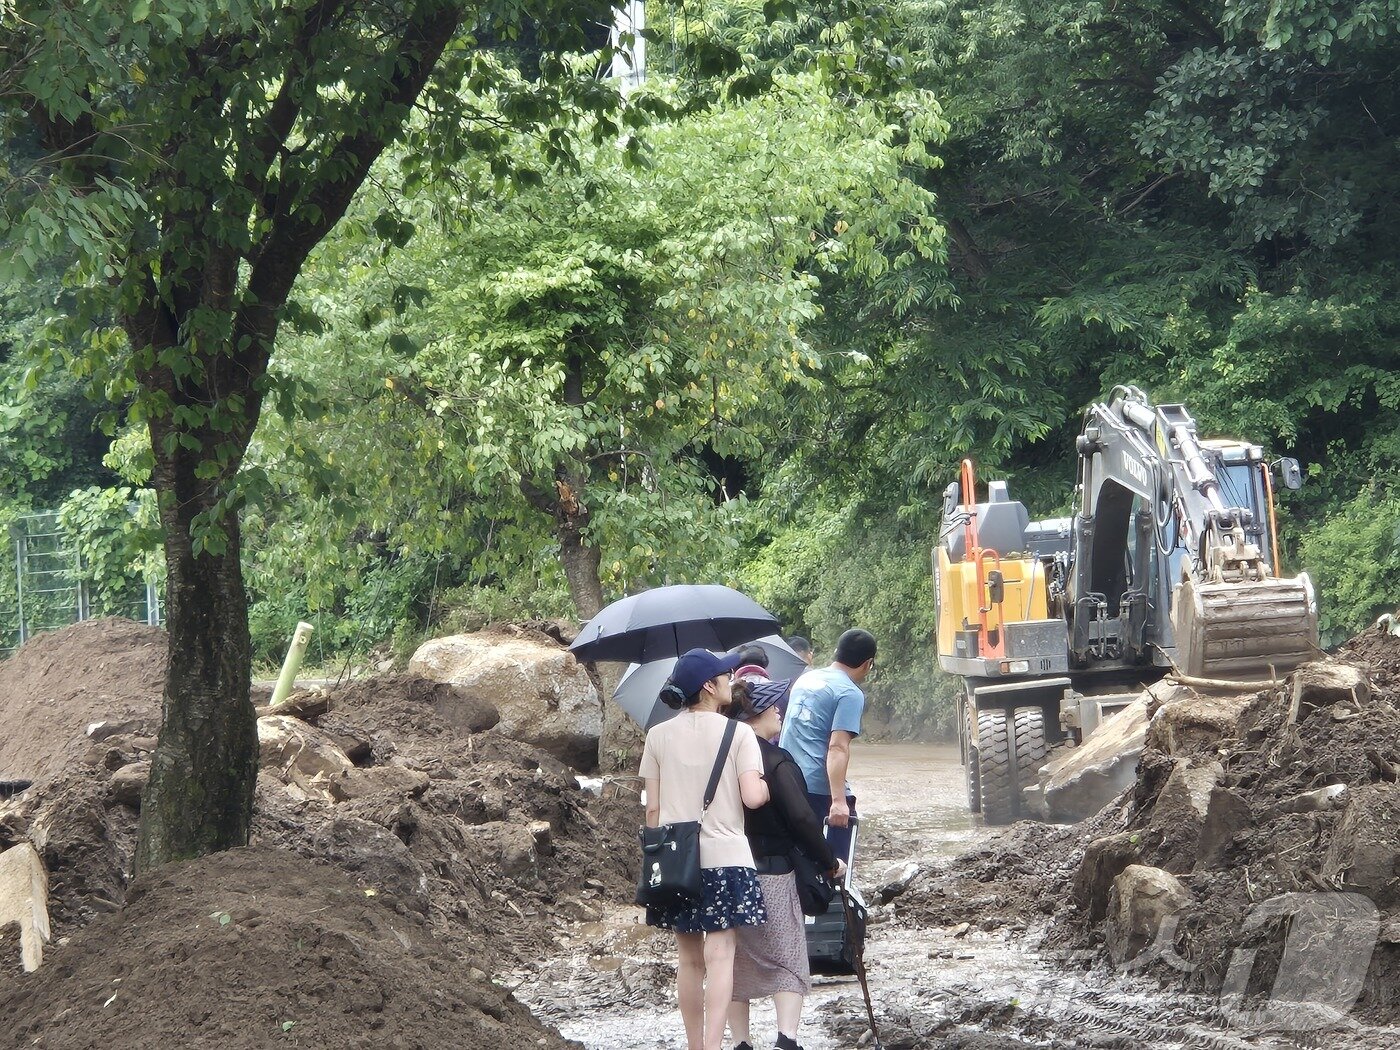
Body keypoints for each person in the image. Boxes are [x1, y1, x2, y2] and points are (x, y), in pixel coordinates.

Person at [640, 648, 771, 1050]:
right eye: (725, 675)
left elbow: (652, 812)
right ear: (709, 687)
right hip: (727, 858)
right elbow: (753, 798)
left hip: (678, 862)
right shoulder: (739, 734)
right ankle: (714, 1046)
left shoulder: (657, 736)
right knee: (720, 956)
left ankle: (694, 1046)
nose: (732, 680)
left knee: (689, 960)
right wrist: (766, 787)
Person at [724, 682, 842, 1050]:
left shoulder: (719, 759)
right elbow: (802, 819)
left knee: (734, 958)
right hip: (773, 871)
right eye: (772, 705)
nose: (779, 710)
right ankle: (786, 1039)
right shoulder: (776, 762)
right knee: (787, 954)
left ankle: (741, 1042)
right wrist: (828, 861)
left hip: (727, 871)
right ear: (753, 716)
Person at [777, 628, 876, 863]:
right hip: (817, 789)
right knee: (835, 863)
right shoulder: (849, 693)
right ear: (868, 664)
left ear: (836, 652)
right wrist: (839, 801)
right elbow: (838, 747)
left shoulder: (805, 679)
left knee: (799, 858)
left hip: (786, 780)